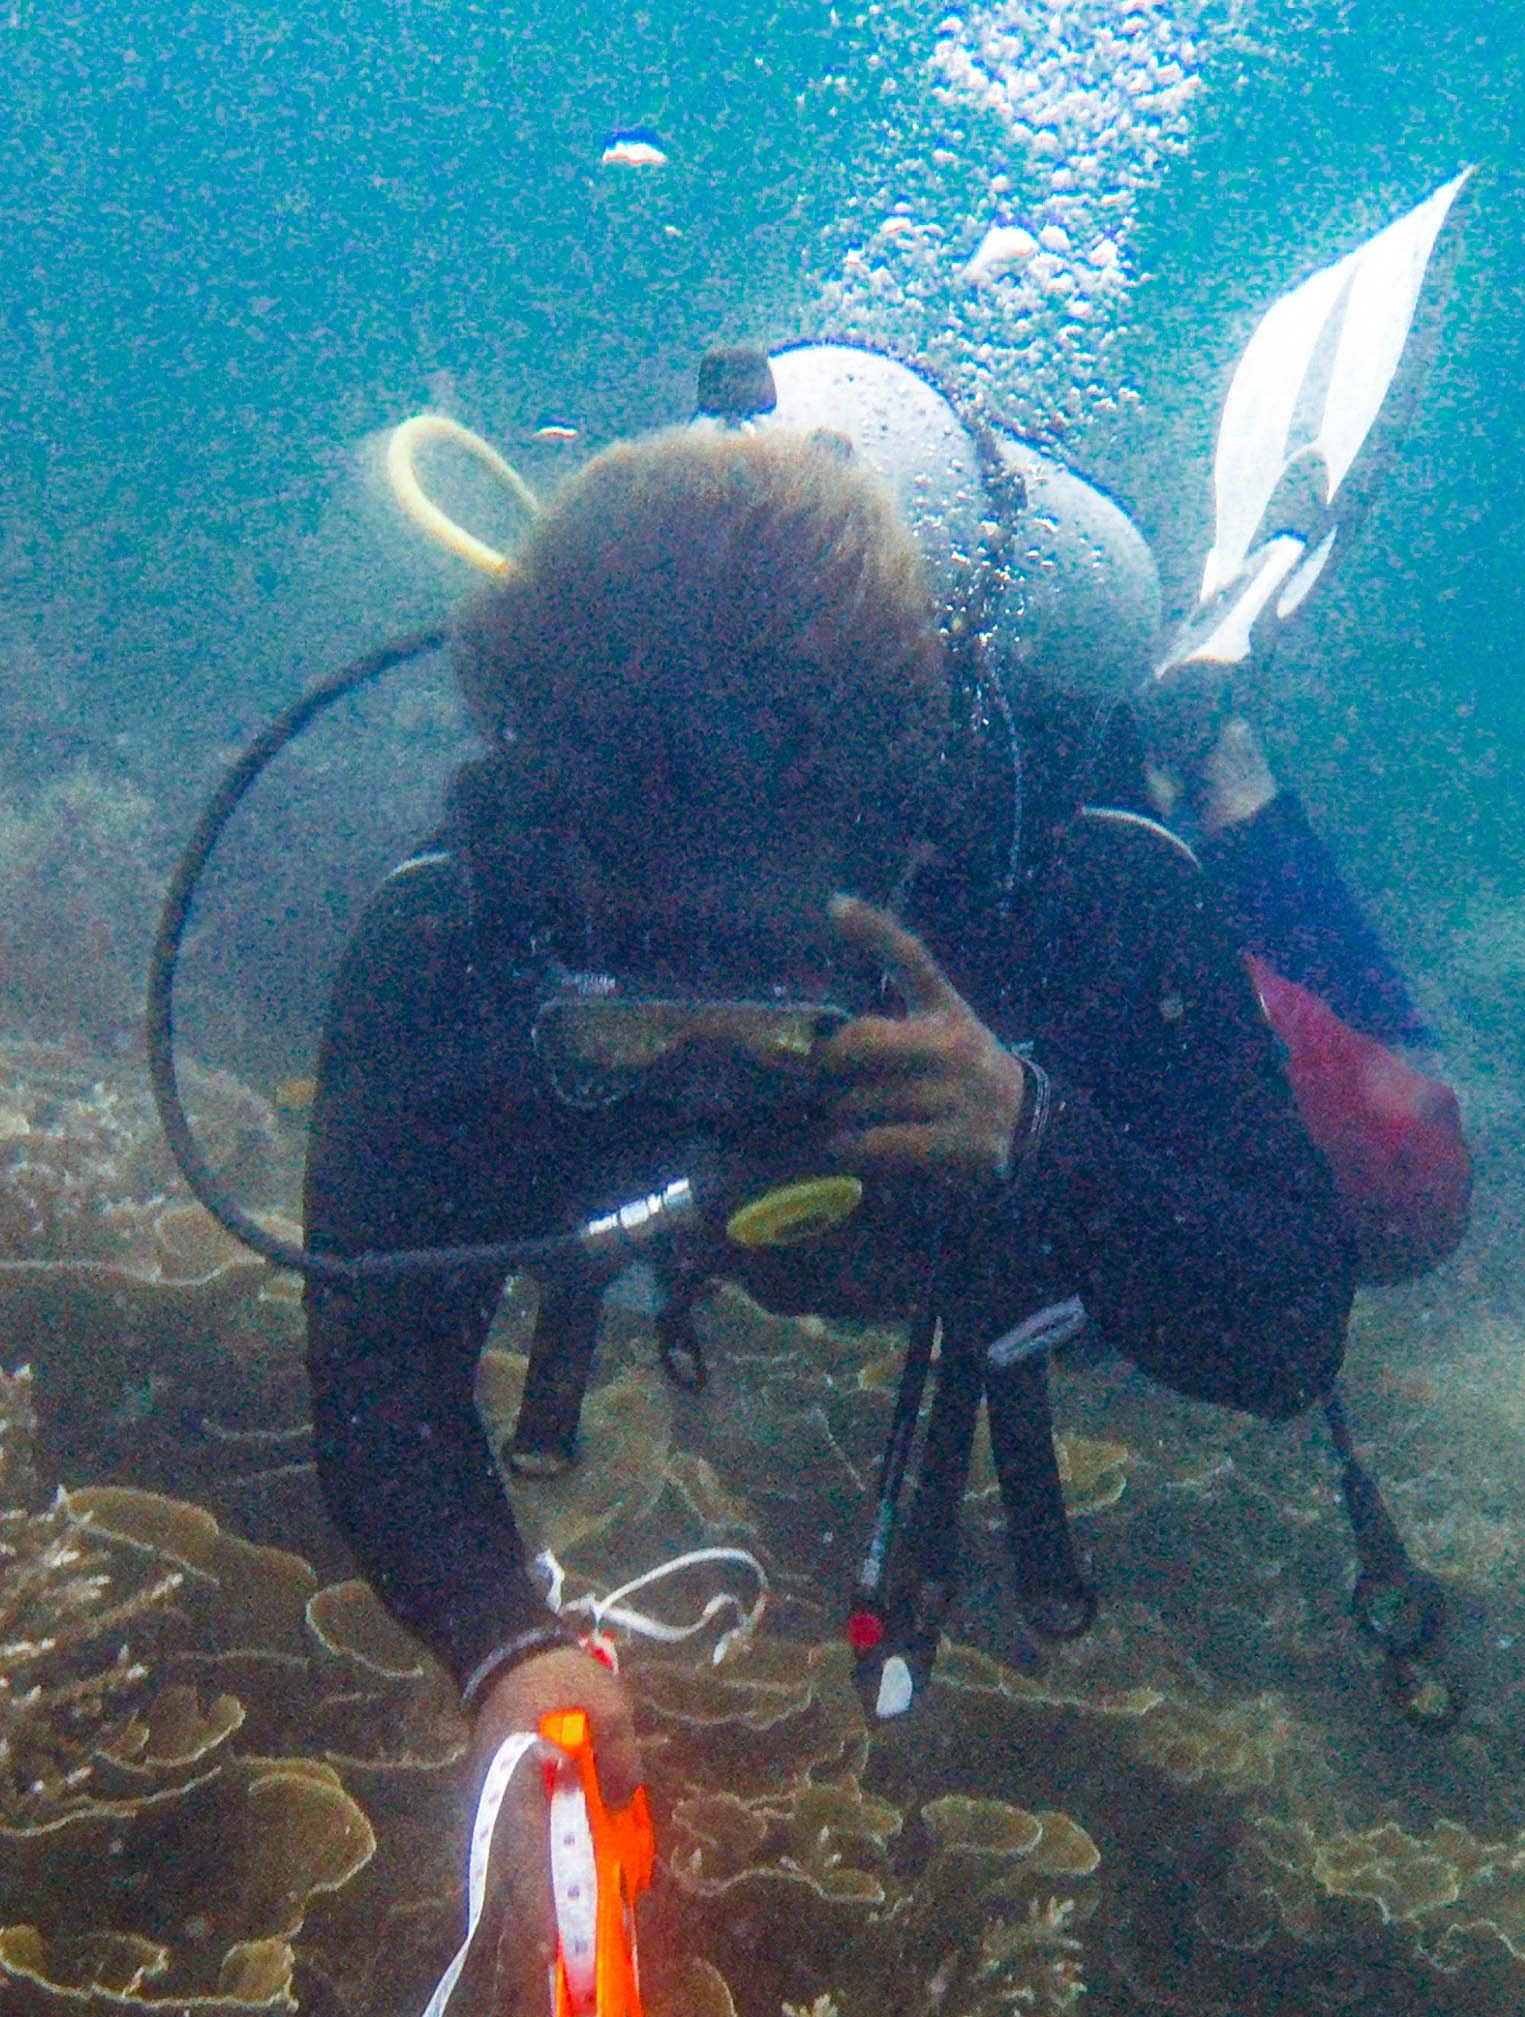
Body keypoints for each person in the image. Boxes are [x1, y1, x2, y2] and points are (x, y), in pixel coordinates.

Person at [299, 416, 1359, 1792]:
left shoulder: (1073, 887)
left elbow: (1289, 1335)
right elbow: (377, 1358)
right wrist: (505, 1645)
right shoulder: (467, 922)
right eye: (643, 954)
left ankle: (1222, 734)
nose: (710, 1034)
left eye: (761, 962)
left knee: (1405, 1184)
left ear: (889, 825)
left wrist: (1038, 1133)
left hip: (1065, 1171)